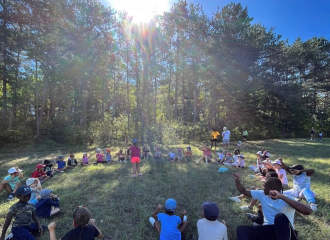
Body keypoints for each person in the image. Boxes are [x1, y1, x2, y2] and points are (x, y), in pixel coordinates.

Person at [233, 173, 313, 240]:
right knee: (242, 229)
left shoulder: (287, 198)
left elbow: (308, 211)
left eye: (264, 186)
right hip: (268, 229)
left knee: (279, 217)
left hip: (285, 232)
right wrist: (237, 180)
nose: (262, 188)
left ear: (272, 189)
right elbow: (244, 191)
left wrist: (282, 197)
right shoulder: (262, 194)